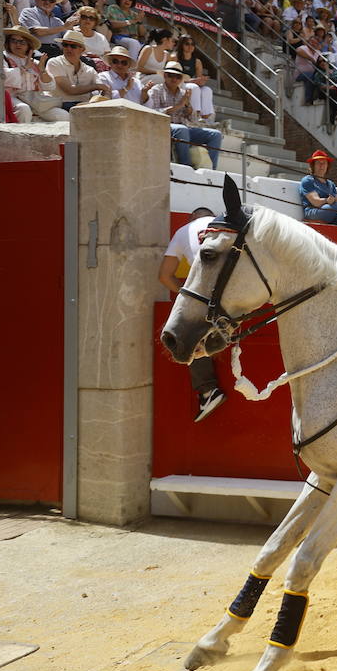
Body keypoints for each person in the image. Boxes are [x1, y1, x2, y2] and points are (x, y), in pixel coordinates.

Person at [158, 207, 228, 422]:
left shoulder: (183, 231)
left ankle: (208, 391)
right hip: (237, 287)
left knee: (187, 337)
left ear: (191, 219)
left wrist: (185, 295)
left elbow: (164, 276)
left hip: (207, 293)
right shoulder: (223, 224)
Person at [147, 62, 223, 168]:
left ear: (181, 79)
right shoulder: (156, 90)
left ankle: (211, 170)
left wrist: (189, 109)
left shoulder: (184, 93)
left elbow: (192, 120)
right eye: (171, 75)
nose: (174, 79)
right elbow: (153, 113)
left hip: (184, 130)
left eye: (178, 76)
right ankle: (186, 166)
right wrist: (179, 106)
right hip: (163, 127)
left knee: (215, 135)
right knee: (182, 130)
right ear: (165, 75)